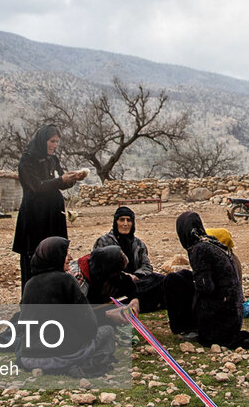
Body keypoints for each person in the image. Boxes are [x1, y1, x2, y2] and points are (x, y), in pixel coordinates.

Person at [15, 237, 126, 377]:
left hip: (30, 358)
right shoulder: (66, 280)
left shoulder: (30, 284)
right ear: (56, 256)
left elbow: (23, 325)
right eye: (65, 253)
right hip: (61, 356)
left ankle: (43, 369)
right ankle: (82, 364)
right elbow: (89, 325)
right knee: (107, 331)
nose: (70, 258)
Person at [174, 211, 249, 350]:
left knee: (178, 282)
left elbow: (205, 287)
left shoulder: (199, 249)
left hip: (222, 320)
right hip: (234, 315)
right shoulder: (211, 242)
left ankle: (189, 328)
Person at [12, 124, 86, 297]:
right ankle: (32, 299)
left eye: (57, 142)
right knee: (35, 256)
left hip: (53, 216)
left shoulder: (52, 159)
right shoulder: (27, 161)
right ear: (43, 140)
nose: (54, 145)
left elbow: (59, 181)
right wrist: (61, 179)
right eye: (52, 141)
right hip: (35, 217)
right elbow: (36, 187)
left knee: (55, 256)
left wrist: (73, 179)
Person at [94, 206, 164, 313]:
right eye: (122, 220)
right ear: (115, 221)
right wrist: (126, 277)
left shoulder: (139, 244)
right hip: (115, 285)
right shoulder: (103, 242)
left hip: (137, 282)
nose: (125, 224)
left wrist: (136, 275)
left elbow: (146, 265)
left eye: (129, 220)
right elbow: (99, 268)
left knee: (159, 279)